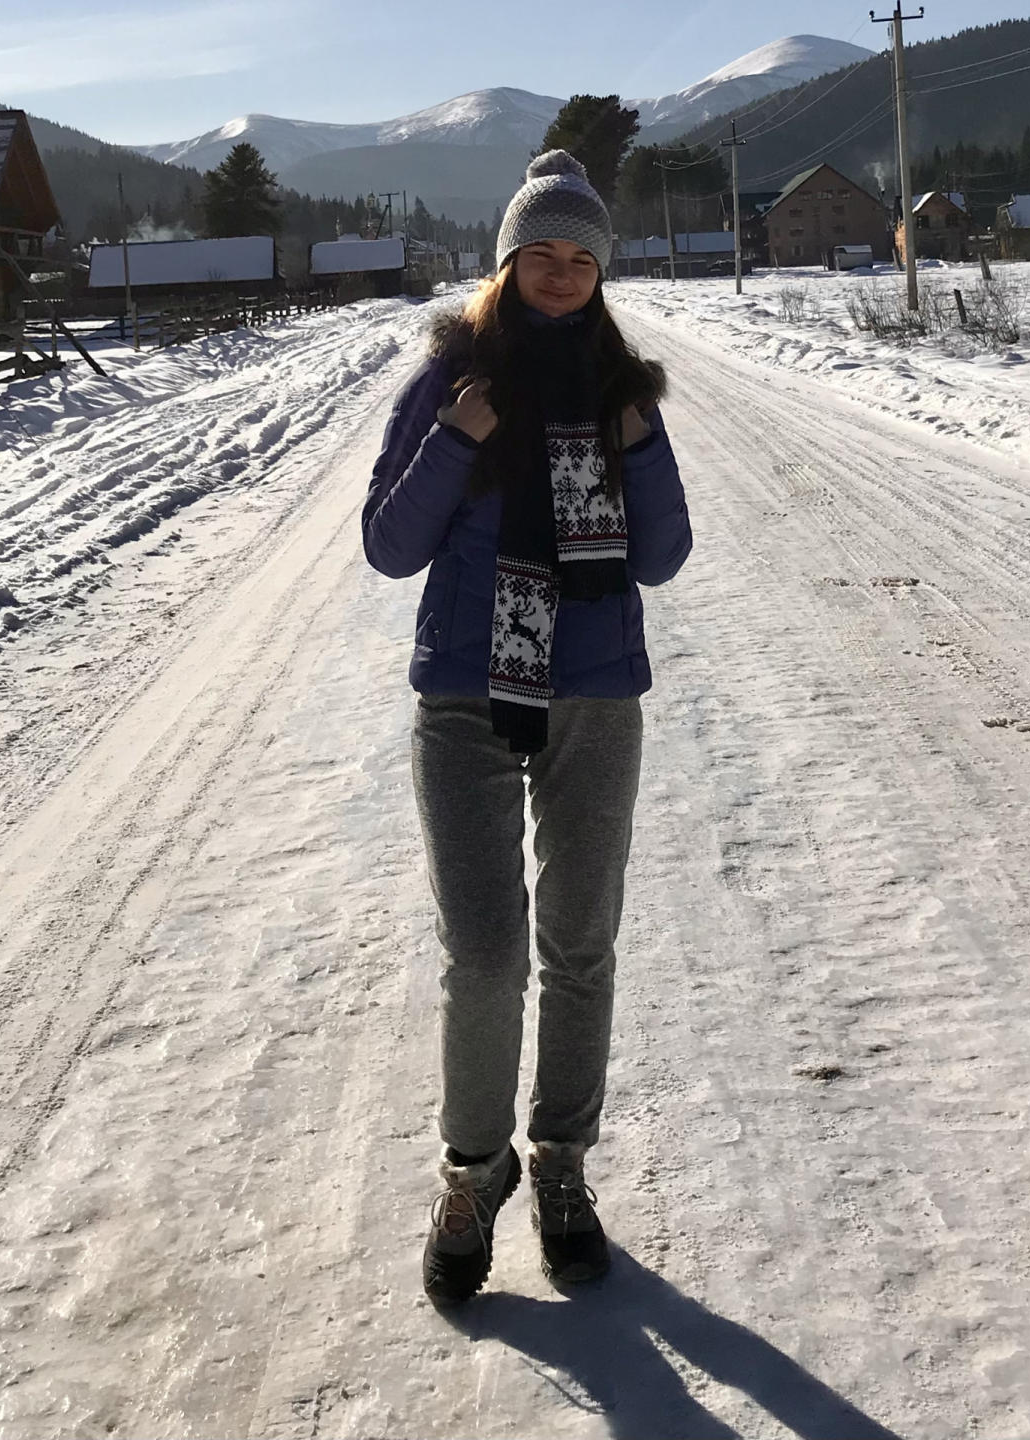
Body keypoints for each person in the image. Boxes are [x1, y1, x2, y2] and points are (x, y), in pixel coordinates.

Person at [362, 151, 693, 1307]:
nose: (559, 274)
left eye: (580, 258)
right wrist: (457, 437)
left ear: (600, 272)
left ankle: (558, 1161)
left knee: (580, 946)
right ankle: (472, 1170)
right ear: (505, 264)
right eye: (538, 254)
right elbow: (389, 547)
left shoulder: (622, 388)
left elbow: (662, 556)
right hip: (464, 697)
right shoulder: (448, 379)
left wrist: (639, 443)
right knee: (486, 955)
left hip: (594, 695)